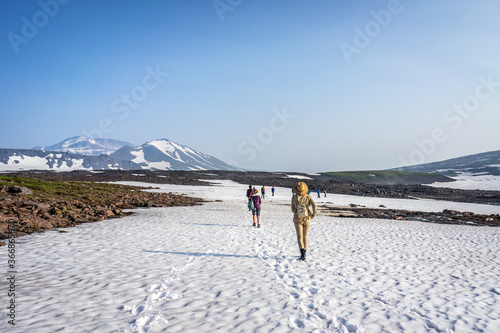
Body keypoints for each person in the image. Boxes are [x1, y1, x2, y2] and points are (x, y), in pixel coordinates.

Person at [291, 182, 316, 261]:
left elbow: (292, 209)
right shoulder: (308, 196)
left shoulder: (294, 198)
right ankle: (305, 252)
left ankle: (302, 254)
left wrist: (296, 211)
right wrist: (313, 214)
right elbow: (314, 205)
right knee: (305, 236)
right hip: (307, 218)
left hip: (297, 219)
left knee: (299, 236)